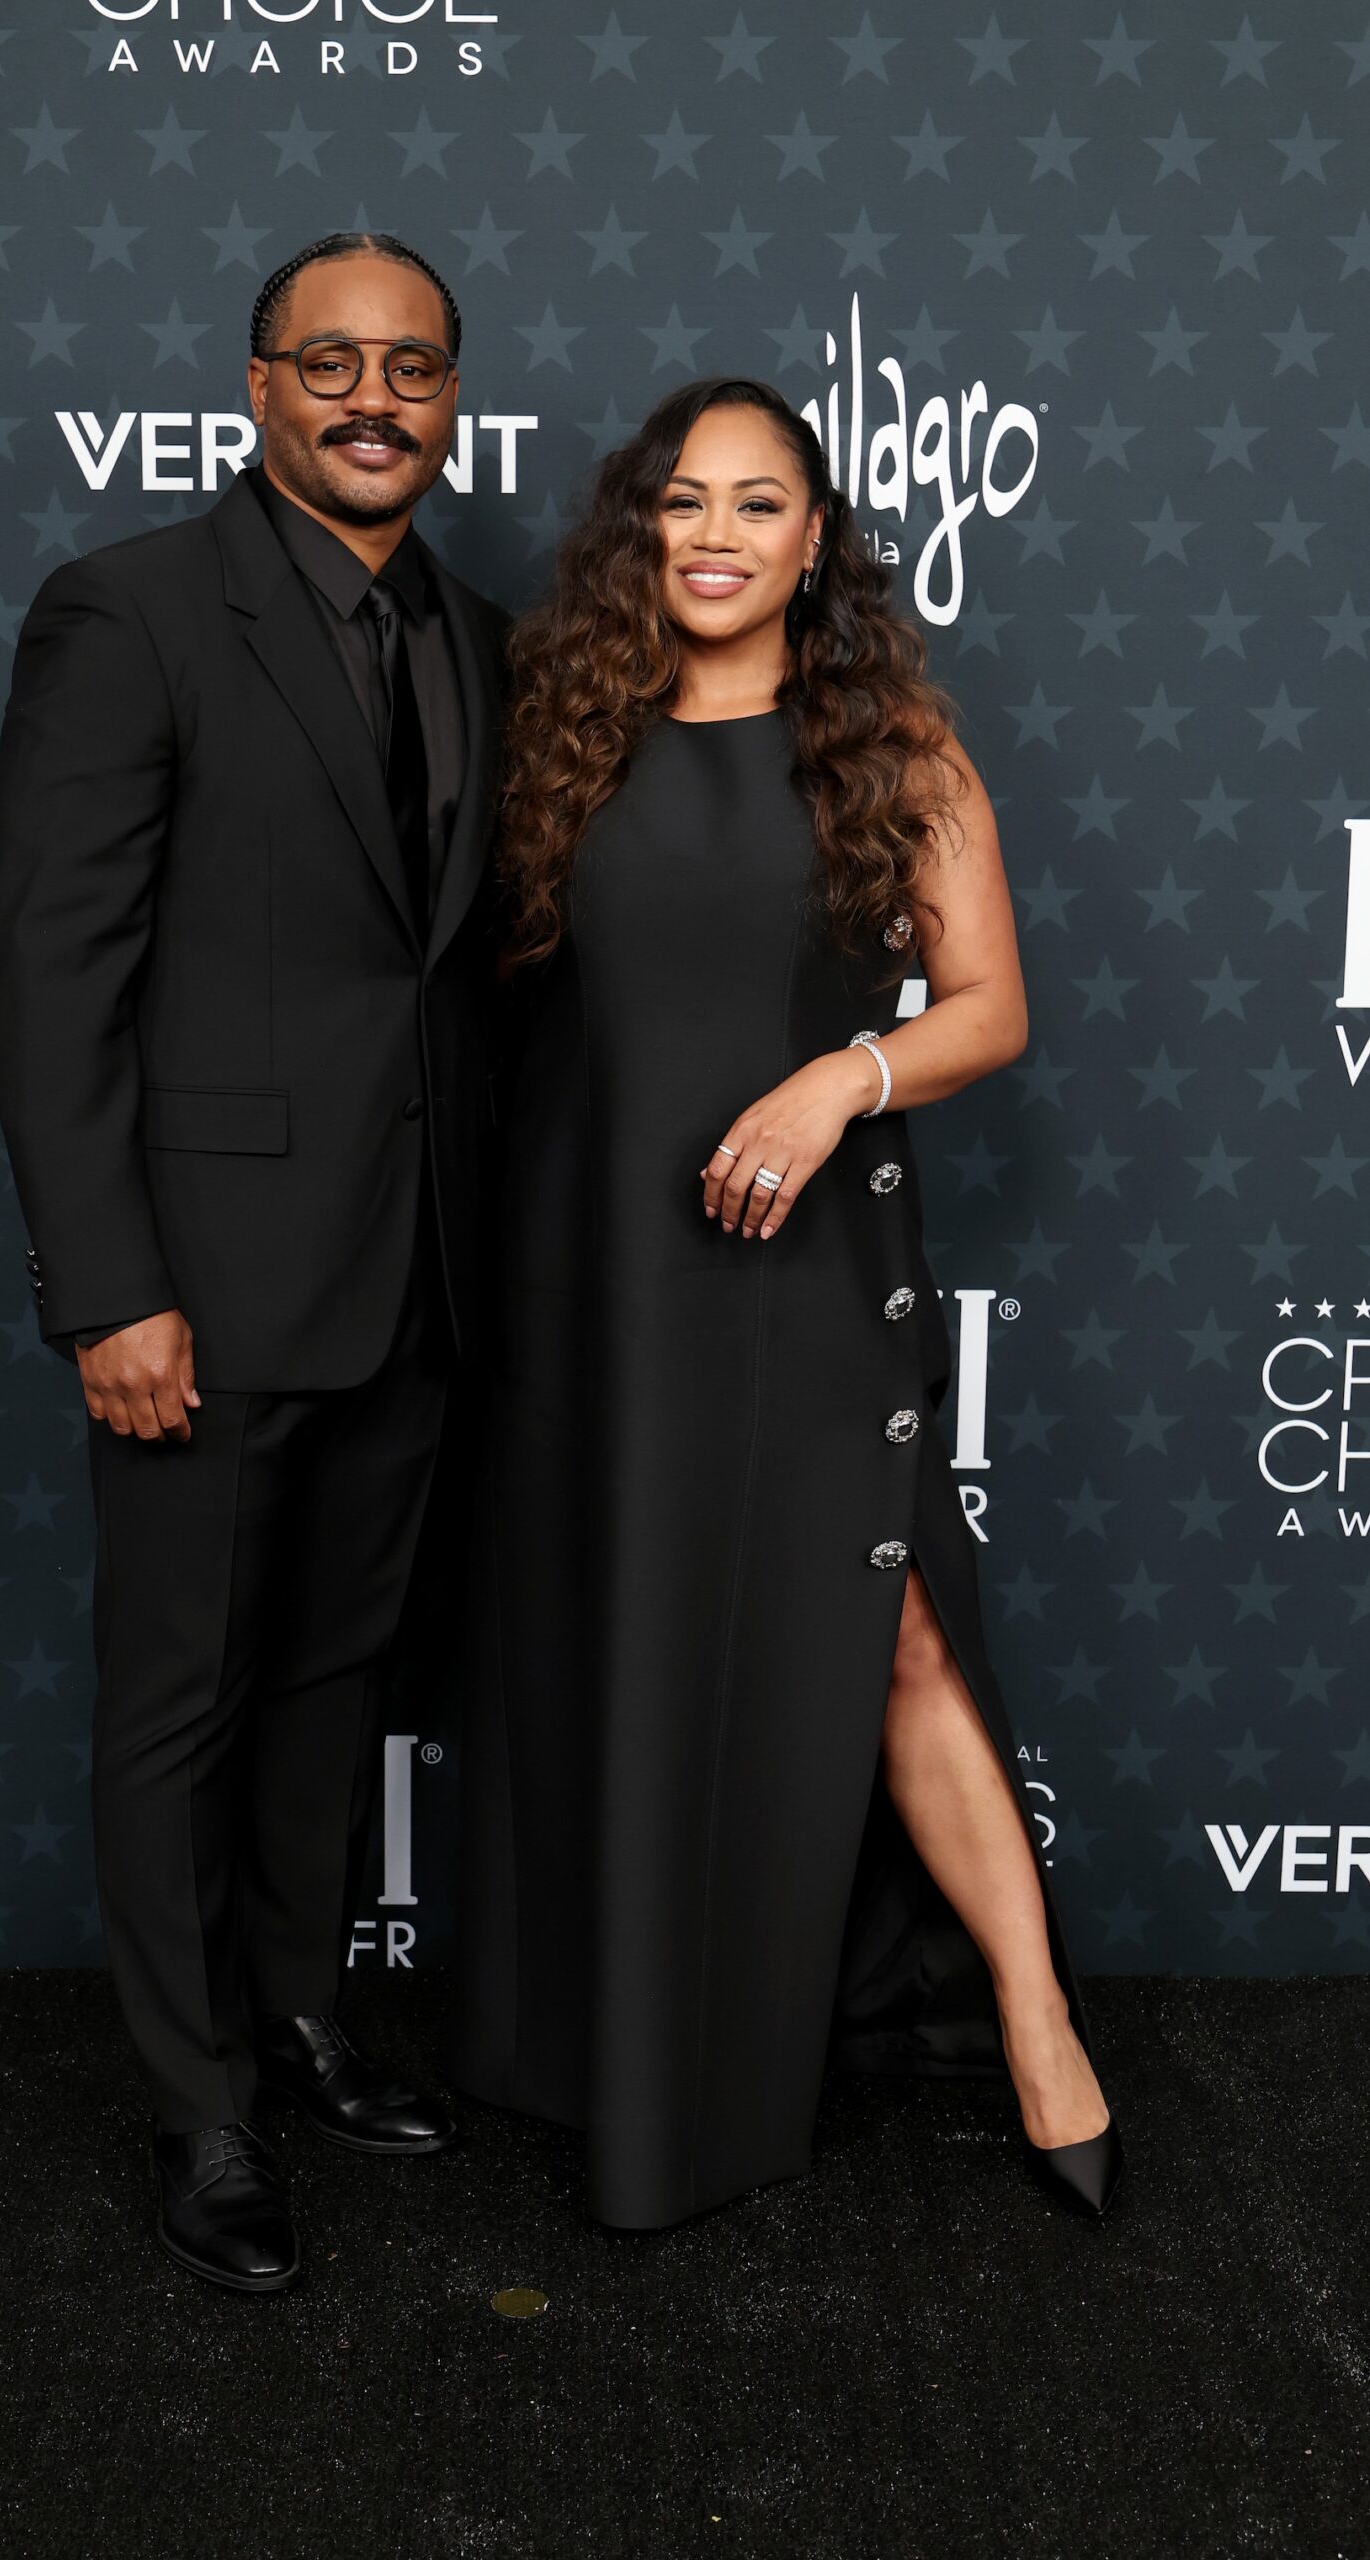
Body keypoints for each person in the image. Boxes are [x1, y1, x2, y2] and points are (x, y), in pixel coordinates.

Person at [447, 376, 1122, 2231]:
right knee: (621, 1635)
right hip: (596, 1274)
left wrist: (845, 1080)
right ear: (637, 533)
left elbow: (991, 1006)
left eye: (761, 504)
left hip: (809, 1264)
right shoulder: (560, 736)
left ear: (817, 540)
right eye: (685, 502)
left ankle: (1038, 2017)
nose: (720, 535)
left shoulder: (888, 746)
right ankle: (613, 2053)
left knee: (891, 1637)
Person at [0, 231, 511, 2292]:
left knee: (325, 1682)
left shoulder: (473, 628)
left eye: (412, 365)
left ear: (450, 397)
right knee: (178, 1698)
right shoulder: (126, 613)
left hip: (413, 1277)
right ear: (255, 385)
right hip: (196, 1280)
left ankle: (296, 2013)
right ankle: (197, 2106)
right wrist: (108, 1285)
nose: (371, 396)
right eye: (330, 362)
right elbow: (51, 975)